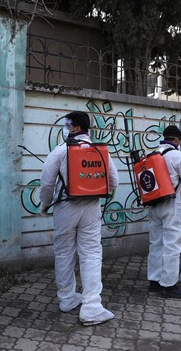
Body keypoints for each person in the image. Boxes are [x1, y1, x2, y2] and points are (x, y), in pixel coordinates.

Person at [39, 111, 119, 325]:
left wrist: (45, 203)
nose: (65, 128)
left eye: (67, 125)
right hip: (92, 207)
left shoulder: (60, 150)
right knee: (91, 253)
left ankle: (67, 299)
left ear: (75, 128)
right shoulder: (100, 151)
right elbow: (114, 179)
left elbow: (47, 183)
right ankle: (91, 306)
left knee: (64, 252)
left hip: (65, 207)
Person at [148, 125, 181, 297]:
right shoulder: (178, 155)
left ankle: (154, 281)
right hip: (171, 203)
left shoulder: (153, 153)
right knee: (172, 244)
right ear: (176, 140)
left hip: (154, 203)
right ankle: (169, 285)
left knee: (156, 243)